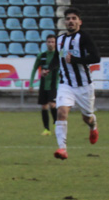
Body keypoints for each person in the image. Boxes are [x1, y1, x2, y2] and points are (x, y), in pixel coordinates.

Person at [49, 8, 100, 160]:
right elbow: (58, 58)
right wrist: (49, 69)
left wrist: (76, 60)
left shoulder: (84, 38)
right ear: (65, 22)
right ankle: (62, 149)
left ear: (79, 22)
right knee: (61, 112)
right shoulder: (60, 39)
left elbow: (96, 58)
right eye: (68, 18)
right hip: (66, 85)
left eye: (74, 18)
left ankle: (93, 126)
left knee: (87, 118)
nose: (70, 21)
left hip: (84, 86)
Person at [29, 34, 59, 135]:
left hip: (54, 84)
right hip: (43, 84)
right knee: (44, 107)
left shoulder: (58, 56)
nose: (50, 44)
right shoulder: (41, 56)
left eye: (52, 42)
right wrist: (31, 83)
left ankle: (56, 123)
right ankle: (46, 129)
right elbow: (34, 69)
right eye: (49, 42)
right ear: (46, 43)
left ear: (56, 43)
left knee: (52, 104)